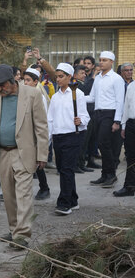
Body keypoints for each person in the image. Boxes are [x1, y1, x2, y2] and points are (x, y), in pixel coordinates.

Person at [0, 64, 49, 249]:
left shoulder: (32, 95)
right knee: (8, 195)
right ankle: (14, 229)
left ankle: (22, 236)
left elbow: (41, 127)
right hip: (2, 152)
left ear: (13, 80)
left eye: (2, 85)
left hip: (24, 152)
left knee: (23, 194)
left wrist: (42, 154)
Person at [48, 63, 90, 215]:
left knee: (66, 169)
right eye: (56, 77)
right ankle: (73, 199)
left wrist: (81, 121)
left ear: (69, 77)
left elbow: (85, 116)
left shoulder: (77, 94)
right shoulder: (54, 97)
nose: (58, 79)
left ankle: (64, 203)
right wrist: (49, 138)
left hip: (73, 136)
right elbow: (50, 119)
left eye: (61, 76)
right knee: (63, 169)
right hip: (58, 137)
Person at [86, 51, 125, 187]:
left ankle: (111, 174)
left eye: (105, 60)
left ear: (111, 62)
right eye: (100, 59)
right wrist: (76, 94)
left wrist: (117, 121)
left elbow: (120, 101)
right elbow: (91, 98)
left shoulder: (116, 78)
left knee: (104, 143)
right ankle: (105, 175)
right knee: (101, 144)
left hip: (110, 113)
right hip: (98, 114)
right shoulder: (97, 78)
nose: (101, 62)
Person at [22, 68, 51, 200]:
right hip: (24, 133)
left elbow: (42, 120)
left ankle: (44, 188)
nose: (25, 83)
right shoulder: (23, 94)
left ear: (35, 82)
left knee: (37, 163)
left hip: (35, 135)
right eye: (24, 80)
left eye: (28, 80)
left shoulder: (39, 95)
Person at [113, 77, 135, 197]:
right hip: (131, 123)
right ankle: (129, 187)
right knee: (130, 156)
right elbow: (126, 107)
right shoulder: (131, 86)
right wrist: (124, 126)